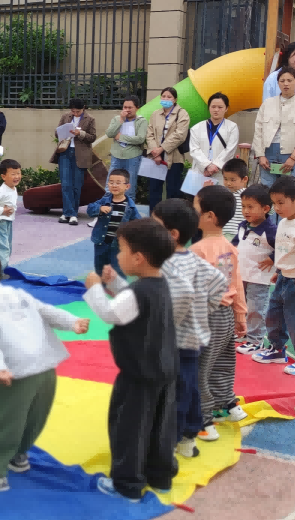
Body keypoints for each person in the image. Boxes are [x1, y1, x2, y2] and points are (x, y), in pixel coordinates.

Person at [0, 246, 88, 493]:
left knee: (2, 422)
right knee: (33, 417)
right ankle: (18, 455)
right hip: (45, 366)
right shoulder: (18, 294)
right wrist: (72, 322)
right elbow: (46, 311)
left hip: (15, 372)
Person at [106, 199, 227, 459]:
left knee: (173, 397)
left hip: (174, 343)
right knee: (188, 389)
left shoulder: (167, 264)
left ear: (171, 235)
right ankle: (188, 439)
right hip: (192, 341)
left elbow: (153, 298)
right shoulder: (193, 260)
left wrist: (171, 319)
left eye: (155, 225)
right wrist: (205, 309)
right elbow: (219, 281)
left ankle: (165, 447)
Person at [82, 219, 178, 502]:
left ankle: (127, 485)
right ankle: (160, 477)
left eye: (121, 250)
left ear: (138, 257)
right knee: (161, 427)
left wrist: (94, 288)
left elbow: (113, 314)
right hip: (164, 369)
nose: (118, 256)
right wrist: (115, 283)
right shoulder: (158, 285)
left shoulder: (140, 292)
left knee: (129, 428)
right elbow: (130, 303)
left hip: (138, 374)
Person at [191, 185, 248, 440]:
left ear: (209, 216)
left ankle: (203, 421)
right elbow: (237, 283)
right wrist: (240, 315)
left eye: (195, 208)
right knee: (224, 362)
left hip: (207, 315)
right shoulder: (229, 247)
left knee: (199, 368)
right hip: (226, 314)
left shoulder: (199, 250)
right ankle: (227, 404)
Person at [254, 176, 295, 377]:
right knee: (273, 316)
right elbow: (285, 250)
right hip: (282, 278)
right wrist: (279, 270)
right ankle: (277, 349)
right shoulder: (283, 221)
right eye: (274, 203)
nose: (276, 208)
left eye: (281, 203)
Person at [231, 185, 276, 357]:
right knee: (238, 305)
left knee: (256, 308)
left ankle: (255, 340)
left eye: (250, 207)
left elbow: (282, 247)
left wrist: (273, 258)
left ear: (265, 209)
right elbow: (236, 242)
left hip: (259, 277)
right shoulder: (243, 225)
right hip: (241, 274)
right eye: (243, 206)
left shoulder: (271, 230)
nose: (245, 211)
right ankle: (240, 331)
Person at [252, 68, 295, 187]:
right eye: (282, 80)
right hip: (268, 152)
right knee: (267, 189)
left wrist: (293, 157)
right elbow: (258, 130)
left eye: (290, 80)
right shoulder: (267, 103)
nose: (286, 84)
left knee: (289, 190)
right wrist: (260, 155)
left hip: (291, 153)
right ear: (278, 83)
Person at [87, 168, 141, 276]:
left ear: (127, 186)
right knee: (100, 267)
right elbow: (90, 209)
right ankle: (102, 288)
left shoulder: (130, 206)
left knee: (118, 270)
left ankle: (119, 291)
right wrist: (99, 208)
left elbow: (137, 224)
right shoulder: (104, 200)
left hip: (119, 245)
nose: (114, 185)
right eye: (111, 182)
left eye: (118, 183)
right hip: (101, 242)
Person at [144, 87, 190, 210]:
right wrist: (155, 152)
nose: (165, 99)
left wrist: (162, 148)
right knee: (154, 190)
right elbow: (149, 134)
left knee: (173, 191)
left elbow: (180, 135)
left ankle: (171, 220)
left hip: (174, 158)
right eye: (163, 96)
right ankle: (154, 220)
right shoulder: (155, 114)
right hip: (156, 159)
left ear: (174, 99)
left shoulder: (182, 113)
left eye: (169, 97)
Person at [54, 98, 98, 225]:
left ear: (83, 108)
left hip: (81, 154)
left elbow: (92, 137)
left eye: (77, 111)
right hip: (65, 151)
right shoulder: (65, 117)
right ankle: (67, 213)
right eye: (73, 111)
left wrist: (80, 133)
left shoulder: (90, 119)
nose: (75, 113)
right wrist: (62, 132)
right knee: (65, 184)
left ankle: (73, 214)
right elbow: (57, 133)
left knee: (76, 185)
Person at [188, 92, 239, 185]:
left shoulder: (232, 127)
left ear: (226, 108)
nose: (216, 110)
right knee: (198, 198)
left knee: (219, 198)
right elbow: (194, 149)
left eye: (220, 107)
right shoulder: (196, 128)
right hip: (200, 171)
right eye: (213, 106)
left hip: (220, 172)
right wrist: (207, 165)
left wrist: (215, 166)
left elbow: (230, 149)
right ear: (209, 108)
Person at [105, 95, 148, 195]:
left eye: (130, 108)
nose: (127, 110)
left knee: (129, 186)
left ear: (137, 108)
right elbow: (109, 133)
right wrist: (121, 119)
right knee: (111, 184)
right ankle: (109, 207)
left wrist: (121, 137)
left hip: (133, 157)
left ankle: (128, 209)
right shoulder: (117, 119)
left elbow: (140, 139)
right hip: (116, 156)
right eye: (125, 107)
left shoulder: (142, 121)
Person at [219, 159, 249, 240]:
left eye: (233, 180)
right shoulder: (222, 195)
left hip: (240, 235)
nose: (228, 183)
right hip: (222, 234)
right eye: (225, 179)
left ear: (244, 179)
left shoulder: (248, 195)